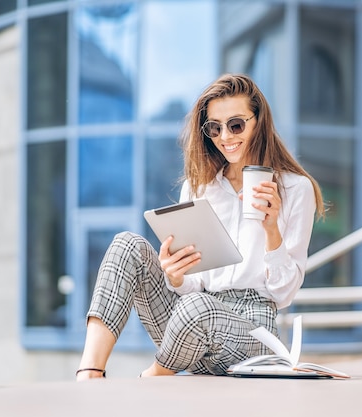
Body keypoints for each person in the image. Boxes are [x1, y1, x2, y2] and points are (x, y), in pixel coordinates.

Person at [75, 73, 325, 380]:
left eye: (236, 125)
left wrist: (271, 229)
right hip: (187, 330)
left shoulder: (295, 190)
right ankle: (89, 373)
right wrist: (175, 275)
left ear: (259, 121)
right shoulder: (200, 188)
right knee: (127, 244)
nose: (225, 137)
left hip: (253, 334)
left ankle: (153, 376)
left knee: (197, 306)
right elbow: (193, 286)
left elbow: (284, 293)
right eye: (214, 128)